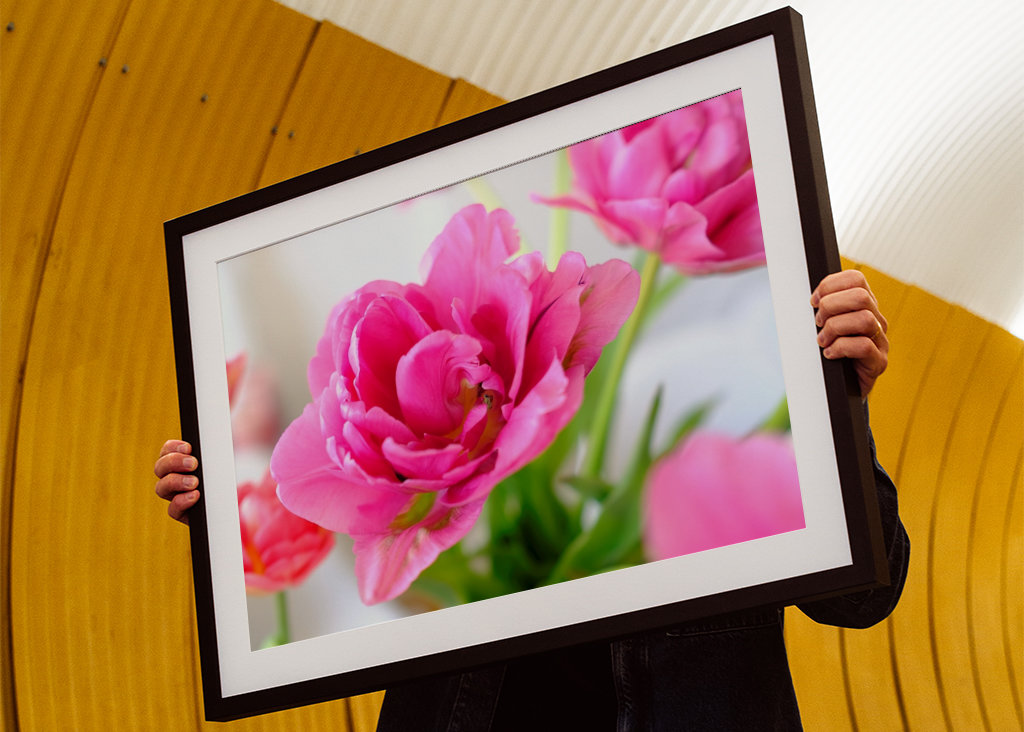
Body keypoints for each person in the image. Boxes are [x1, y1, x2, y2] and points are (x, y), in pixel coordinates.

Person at [155, 270, 909, 730]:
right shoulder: (449, 504)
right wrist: (223, 502)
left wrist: (839, 405)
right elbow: (368, 586)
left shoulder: (744, 398)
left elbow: (865, 595)